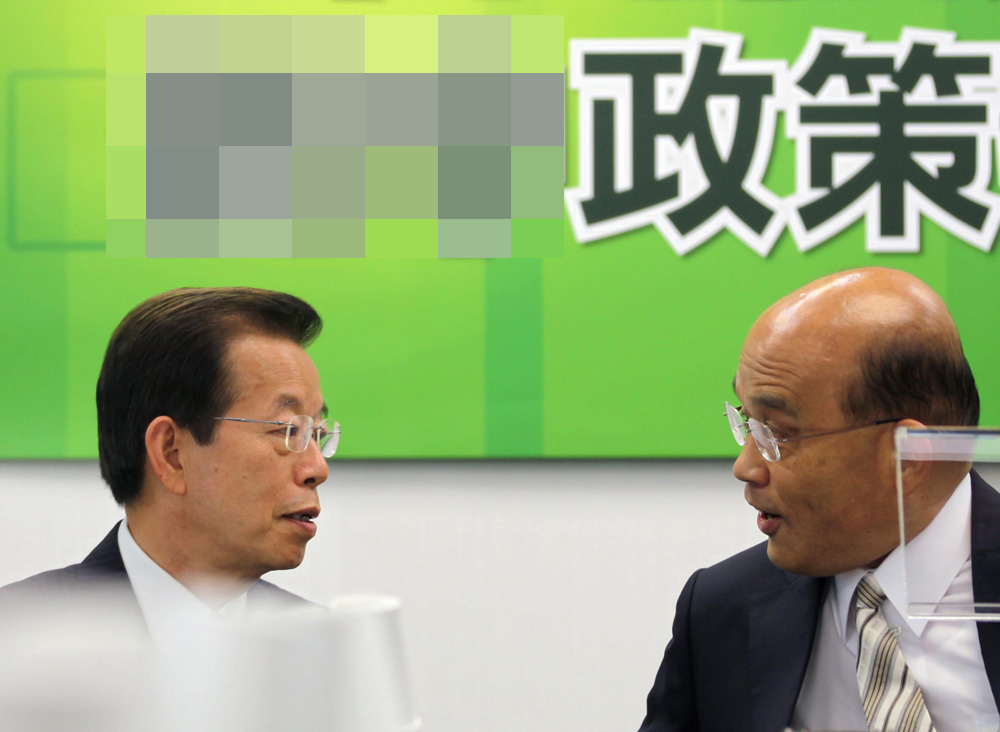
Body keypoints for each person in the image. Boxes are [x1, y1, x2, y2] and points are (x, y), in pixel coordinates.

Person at [637, 267, 1000, 732]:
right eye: (748, 422)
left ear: (909, 456)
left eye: (777, 433)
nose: (746, 467)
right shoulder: (722, 610)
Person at [0, 287, 339, 644]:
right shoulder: (17, 638)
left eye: (316, 434)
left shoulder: (327, 647)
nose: (317, 468)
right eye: (288, 430)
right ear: (171, 454)